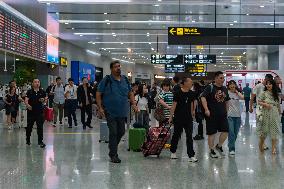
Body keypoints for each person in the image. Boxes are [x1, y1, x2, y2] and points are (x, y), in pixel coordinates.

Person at [96, 60, 138, 163]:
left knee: (121, 131)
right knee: (113, 132)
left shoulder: (125, 79)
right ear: (111, 69)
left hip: (122, 111)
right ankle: (113, 154)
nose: (118, 68)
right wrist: (100, 107)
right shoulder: (107, 80)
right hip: (110, 110)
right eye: (116, 67)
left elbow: (130, 93)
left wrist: (133, 104)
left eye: (119, 66)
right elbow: (98, 93)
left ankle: (112, 145)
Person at [200, 71, 230, 158]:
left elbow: (227, 100)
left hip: (222, 114)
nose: (223, 79)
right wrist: (206, 109)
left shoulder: (224, 88)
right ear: (216, 78)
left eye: (223, 78)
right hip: (211, 114)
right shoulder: (210, 87)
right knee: (212, 133)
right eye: (221, 78)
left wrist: (227, 111)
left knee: (226, 131)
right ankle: (211, 150)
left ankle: (219, 145)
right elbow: (202, 97)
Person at [169, 77, 198, 162]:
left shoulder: (192, 93)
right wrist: (171, 116)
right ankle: (173, 151)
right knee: (176, 135)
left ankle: (191, 155)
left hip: (188, 118)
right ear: (185, 83)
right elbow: (174, 105)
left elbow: (193, 103)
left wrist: (193, 111)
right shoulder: (177, 93)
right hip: (178, 117)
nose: (191, 83)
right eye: (190, 82)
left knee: (189, 136)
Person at [249, 74, 273, 150]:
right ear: (265, 79)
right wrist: (250, 107)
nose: (268, 83)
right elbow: (252, 97)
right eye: (267, 81)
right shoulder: (258, 86)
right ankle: (262, 144)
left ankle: (262, 143)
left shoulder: (268, 87)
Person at [257, 79, 281, 154]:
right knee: (264, 131)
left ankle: (273, 148)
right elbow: (259, 101)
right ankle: (261, 144)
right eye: (267, 84)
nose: (268, 85)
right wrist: (265, 104)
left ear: (273, 85)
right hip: (266, 113)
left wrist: (279, 112)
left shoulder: (276, 94)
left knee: (274, 131)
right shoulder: (263, 93)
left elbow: (278, 104)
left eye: (270, 84)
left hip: (274, 113)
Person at [24, 79, 47, 148]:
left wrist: (44, 100)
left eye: (38, 82)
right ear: (32, 84)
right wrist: (28, 105)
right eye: (35, 82)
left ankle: (40, 141)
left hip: (39, 112)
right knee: (29, 127)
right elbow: (26, 100)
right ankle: (28, 139)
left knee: (40, 127)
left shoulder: (42, 91)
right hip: (31, 112)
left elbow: (46, 99)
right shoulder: (29, 92)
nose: (37, 83)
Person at [227, 80, 244, 156]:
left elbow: (243, 98)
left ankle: (230, 144)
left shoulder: (238, 93)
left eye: (233, 84)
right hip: (229, 115)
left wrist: (237, 92)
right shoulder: (227, 93)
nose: (232, 86)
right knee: (231, 133)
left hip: (238, 116)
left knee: (235, 133)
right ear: (228, 86)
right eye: (230, 84)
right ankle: (232, 149)